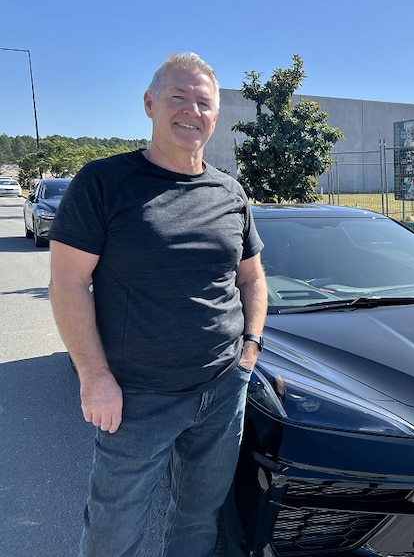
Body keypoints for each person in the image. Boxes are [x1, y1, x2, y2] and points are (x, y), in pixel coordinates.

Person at [48, 52, 267, 557]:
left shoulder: (230, 191)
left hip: (221, 387)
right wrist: (94, 378)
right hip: (136, 397)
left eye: (204, 102)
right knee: (114, 527)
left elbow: (252, 277)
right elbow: (67, 285)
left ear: (215, 116)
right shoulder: (103, 183)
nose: (192, 110)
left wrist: (250, 348)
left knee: (198, 518)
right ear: (149, 104)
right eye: (179, 96)